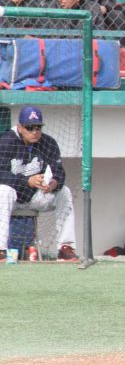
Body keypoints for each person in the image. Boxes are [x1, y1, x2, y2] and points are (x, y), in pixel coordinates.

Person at [0, 107, 78, 263]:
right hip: (10, 200)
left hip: (35, 197)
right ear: (20, 127)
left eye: (38, 127)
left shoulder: (48, 143)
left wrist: (54, 183)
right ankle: (1, 250)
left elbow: (59, 171)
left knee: (65, 192)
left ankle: (65, 248)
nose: (34, 132)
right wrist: (26, 181)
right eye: (29, 128)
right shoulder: (5, 142)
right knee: (3, 191)